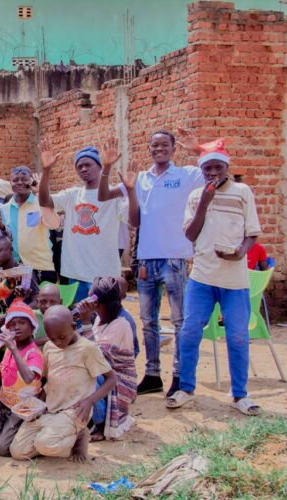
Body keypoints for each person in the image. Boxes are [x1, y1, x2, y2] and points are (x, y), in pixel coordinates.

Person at [98, 129, 203, 397]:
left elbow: (216, 171)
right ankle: (153, 374)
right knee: (148, 321)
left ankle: (179, 376)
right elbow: (108, 200)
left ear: (173, 149)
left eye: (164, 145)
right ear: (149, 149)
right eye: (154, 145)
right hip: (146, 259)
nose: (159, 149)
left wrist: (198, 150)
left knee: (179, 321)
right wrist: (109, 167)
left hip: (175, 257)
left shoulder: (186, 175)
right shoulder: (140, 178)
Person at [167, 139, 262, 416]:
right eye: (207, 169)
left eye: (217, 168)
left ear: (227, 168)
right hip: (202, 278)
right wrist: (205, 203)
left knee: (237, 337)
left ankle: (240, 395)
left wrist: (241, 253)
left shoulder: (243, 192)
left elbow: (252, 233)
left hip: (235, 281)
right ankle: (186, 388)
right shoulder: (197, 195)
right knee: (189, 332)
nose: (212, 174)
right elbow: (190, 234)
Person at [10, 305, 115, 462]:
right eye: (53, 338)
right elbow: (46, 378)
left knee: (45, 443)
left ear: (73, 327)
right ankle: (56, 437)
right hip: (50, 409)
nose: (58, 342)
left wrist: (90, 401)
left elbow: (111, 379)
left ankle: (79, 436)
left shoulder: (87, 348)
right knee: (18, 452)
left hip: (74, 412)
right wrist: (36, 403)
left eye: (62, 337)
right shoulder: (49, 347)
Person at [37, 139, 129, 303]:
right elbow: (44, 201)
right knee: (80, 320)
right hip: (76, 272)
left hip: (104, 274)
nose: (84, 169)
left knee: (103, 320)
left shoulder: (113, 195)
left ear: (100, 166)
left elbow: (133, 219)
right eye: (79, 166)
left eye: (88, 164)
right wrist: (46, 170)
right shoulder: (72, 195)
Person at [76, 277, 137, 441]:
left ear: (99, 303)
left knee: (89, 376)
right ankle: (88, 416)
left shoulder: (121, 324)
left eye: (91, 299)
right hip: (105, 371)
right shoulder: (100, 319)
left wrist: (85, 322)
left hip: (117, 380)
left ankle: (101, 423)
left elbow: (99, 359)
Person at [0, 301, 43, 457]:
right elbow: (10, 375)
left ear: (32, 327)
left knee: (1, 449)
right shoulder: (11, 348)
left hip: (22, 408)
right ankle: (9, 430)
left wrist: (13, 348)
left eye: (22, 323)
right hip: (3, 402)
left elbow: (29, 378)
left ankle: (28, 431)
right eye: (12, 324)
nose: (17, 327)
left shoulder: (33, 353)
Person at [0, 165, 59, 284]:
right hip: (16, 268)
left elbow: (54, 224)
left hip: (41, 266)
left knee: (43, 301)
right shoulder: (4, 209)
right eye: (15, 180)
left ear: (31, 181)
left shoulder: (40, 202)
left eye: (24, 179)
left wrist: (41, 196)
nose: (19, 182)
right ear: (10, 183)